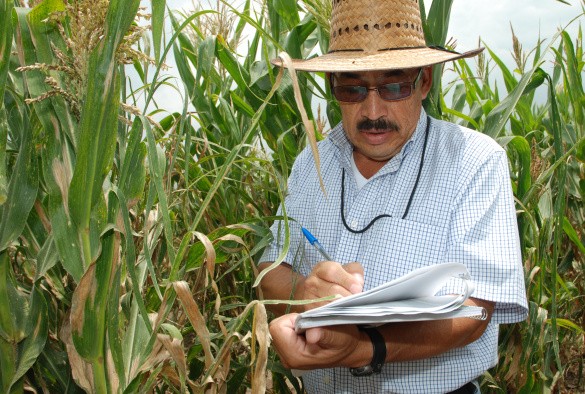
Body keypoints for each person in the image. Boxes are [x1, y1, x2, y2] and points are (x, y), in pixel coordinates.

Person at [258, 0, 528, 392]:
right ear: (333, 87)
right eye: (351, 88)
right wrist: (305, 294)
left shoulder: (474, 162)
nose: (372, 110)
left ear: (424, 82)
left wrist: (366, 347)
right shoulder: (312, 161)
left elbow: (475, 311)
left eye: (395, 85)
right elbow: (270, 269)